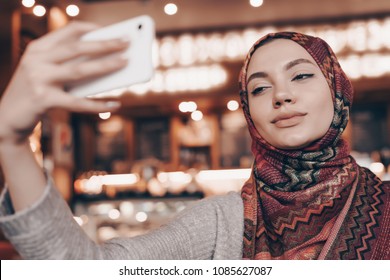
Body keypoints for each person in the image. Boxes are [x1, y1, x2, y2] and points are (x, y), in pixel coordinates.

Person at [0, 22, 388, 260]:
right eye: (259, 88)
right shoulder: (220, 223)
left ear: (338, 89)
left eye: (301, 76)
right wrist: (12, 143)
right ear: (249, 114)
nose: (280, 96)